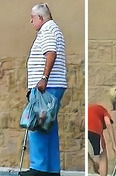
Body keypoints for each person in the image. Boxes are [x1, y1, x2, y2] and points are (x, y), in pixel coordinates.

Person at [19, 3, 67, 176]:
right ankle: (52, 169)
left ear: (40, 18)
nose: (31, 21)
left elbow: (50, 53)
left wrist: (44, 78)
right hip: (54, 86)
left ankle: (38, 168)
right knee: (48, 127)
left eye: (32, 18)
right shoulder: (54, 29)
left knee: (37, 125)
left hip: (45, 88)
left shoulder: (47, 30)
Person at [88, 104, 116, 176]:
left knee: (87, 151)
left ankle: (94, 164)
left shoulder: (93, 109)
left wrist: (92, 163)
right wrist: (114, 146)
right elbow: (108, 124)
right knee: (103, 155)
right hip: (95, 130)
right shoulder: (104, 111)